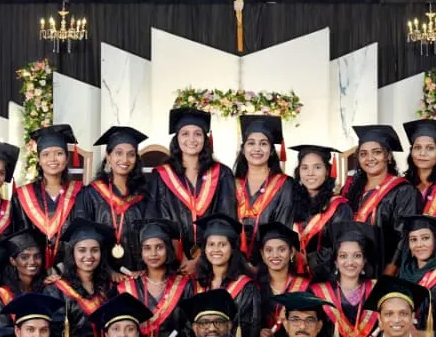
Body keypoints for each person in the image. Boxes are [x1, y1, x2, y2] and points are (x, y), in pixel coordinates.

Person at [147, 108, 236, 257]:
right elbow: (153, 220)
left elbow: (227, 219)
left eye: (198, 134)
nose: (192, 139)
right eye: (185, 134)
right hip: (171, 258)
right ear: (177, 138)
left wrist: (202, 257)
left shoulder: (222, 174)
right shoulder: (160, 175)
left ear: (205, 139)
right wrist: (177, 256)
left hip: (213, 257)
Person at [342, 125, 420, 272]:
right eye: (363, 154)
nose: (370, 158)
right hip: (350, 267)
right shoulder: (350, 189)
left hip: (385, 269)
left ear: (388, 156)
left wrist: (390, 270)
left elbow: (405, 236)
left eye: (376, 152)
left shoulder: (404, 191)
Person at [74, 126, 150, 273]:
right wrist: (109, 271)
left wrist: (144, 270)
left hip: (138, 274)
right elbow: (83, 238)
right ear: (108, 156)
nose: (125, 159)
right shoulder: (91, 194)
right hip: (101, 274)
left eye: (131, 154)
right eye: (118, 153)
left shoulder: (143, 195)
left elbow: (150, 235)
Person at [116, 220, 194, 337]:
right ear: (141, 252)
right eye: (147, 248)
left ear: (168, 249)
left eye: (159, 247)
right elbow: (119, 329)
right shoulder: (127, 288)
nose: (153, 253)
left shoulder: (184, 286)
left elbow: (189, 328)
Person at [12, 124, 85, 267]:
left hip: (72, 269)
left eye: (59, 153)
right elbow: (18, 238)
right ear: (39, 160)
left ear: (67, 158)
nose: (53, 159)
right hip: (32, 269)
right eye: (46, 154)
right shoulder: (22, 195)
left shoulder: (81, 192)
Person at [45, 220, 120, 337]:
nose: (89, 256)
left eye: (95, 250)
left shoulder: (109, 288)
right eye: (82, 250)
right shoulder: (57, 290)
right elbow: (52, 332)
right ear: (72, 253)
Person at [192, 214, 262, 337]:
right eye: (211, 244)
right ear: (205, 249)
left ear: (232, 248)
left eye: (222, 244)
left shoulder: (247, 288)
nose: (216, 250)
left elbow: (249, 332)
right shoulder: (196, 284)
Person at [309, 222, 380, 337]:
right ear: (335, 262)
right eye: (343, 256)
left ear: (364, 261)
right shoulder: (318, 293)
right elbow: (314, 333)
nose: (350, 262)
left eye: (357, 255)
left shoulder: (378, 290)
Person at [232, 115, 298, 255]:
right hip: (234, 261)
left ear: (272, 151)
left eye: (263, 144)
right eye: (251, 143)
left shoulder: (284, 185)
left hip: (272, 259)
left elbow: (283, 227)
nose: (257, 149)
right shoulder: (232, 184)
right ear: (243, 150)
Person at [0, 228, 50, 337]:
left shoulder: (45, 290)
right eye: (24, 257)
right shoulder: (3, 296)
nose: (32, 262)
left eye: (37, 256)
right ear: (13, 261)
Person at [291, 144, 353, 277]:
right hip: (291, 277)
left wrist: (306, 260)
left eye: (317, 167)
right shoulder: (291, 204)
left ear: (327, 171)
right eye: (304, 167)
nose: (310, 173)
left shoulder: (340, 207)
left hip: (326, 281)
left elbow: (339, 248)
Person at [254, 224, 310, 337]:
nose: (275, 255)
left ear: (291, 252)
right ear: (262, 254)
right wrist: (258, 331)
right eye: (269, 250)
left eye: (282, 249)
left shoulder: (305, 287)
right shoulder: (255, 287)